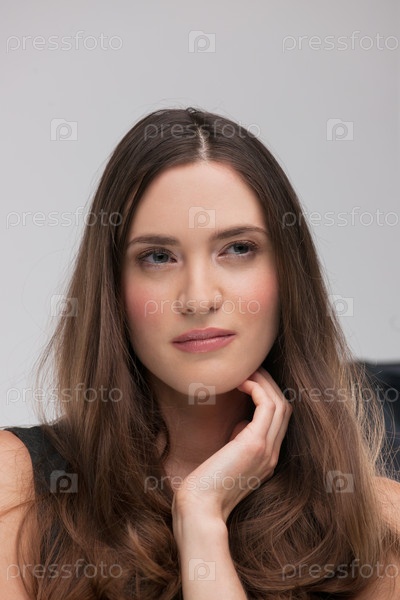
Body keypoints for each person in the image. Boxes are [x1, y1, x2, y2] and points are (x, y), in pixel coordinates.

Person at [0, 107, 399, 600]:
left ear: (289, 274)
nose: (198, 298)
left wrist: (202, 521)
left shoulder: (379, 523)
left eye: (238, 248)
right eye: (158, 257)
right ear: (112, 289)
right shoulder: (18, 490)